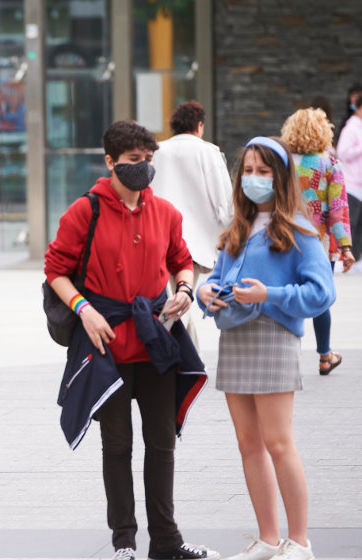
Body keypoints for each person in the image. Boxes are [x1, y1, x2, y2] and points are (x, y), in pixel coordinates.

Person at [45, 121, 217, 560]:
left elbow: (182, 260)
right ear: (110, 162)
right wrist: (84, 310)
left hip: (156, 342)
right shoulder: (86, 210)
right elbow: (56, 270)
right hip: (106, 346)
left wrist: (182, 290)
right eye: (133, 161)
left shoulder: (166, 213)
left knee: (161, 446)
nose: (142, 168)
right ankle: (123, 543)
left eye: (147, 160)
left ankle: (167, 542)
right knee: (117, 446)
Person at [197, 137, 335, 560]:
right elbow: (221, 278)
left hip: (274, 336)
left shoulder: (299, 230)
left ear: (281, 176)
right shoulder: (237, 229)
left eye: (265, 171)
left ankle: (300, 541)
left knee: (278, 442)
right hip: (234, 337)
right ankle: (268, 538)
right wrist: (206, 292)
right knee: (248, 443)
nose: (255, 179)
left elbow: (321, 293)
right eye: (250, 171)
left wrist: (268, 295)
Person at [151, 101, 234, 347]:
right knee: (180, 301)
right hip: (193, 243)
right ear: (199, 125)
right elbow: (224, 202)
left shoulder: (157, 150)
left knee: (173, 298)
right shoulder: (208, 151)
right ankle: (176, 354)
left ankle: (187, 357)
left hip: (158, 237)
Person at [281, 108, 354, 375]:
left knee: (288, 293)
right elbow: (337, 211)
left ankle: (288, 355)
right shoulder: (330, 166)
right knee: (319, 296)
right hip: (318, 243)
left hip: (285, 237)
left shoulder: (283, 163)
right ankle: (325, 356)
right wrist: (345, 247)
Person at [335, 84, 362, 262]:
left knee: (359, 226)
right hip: (351, 184)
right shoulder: (351, 127)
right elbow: (342, 153)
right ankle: (344, 258)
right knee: (350, 224)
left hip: (360, 185)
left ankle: (357, 259)